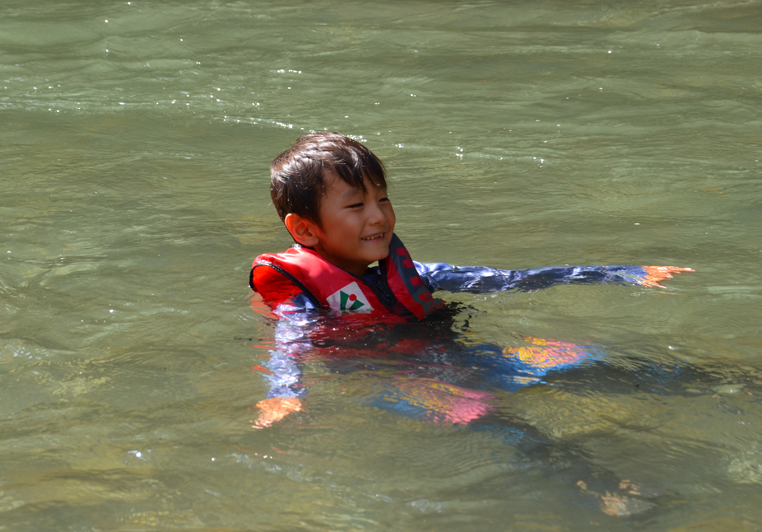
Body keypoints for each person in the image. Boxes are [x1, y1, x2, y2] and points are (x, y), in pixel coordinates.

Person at [249, 132, 694, 428]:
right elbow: (290, 339)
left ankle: (728, 385)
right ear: (305, 229)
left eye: (382, 199)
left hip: (467, 355)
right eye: (355, 206)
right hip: (394, 376)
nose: (378, 215)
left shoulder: (416, 273)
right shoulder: (301, 295)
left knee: (597, 360)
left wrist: (620, 273)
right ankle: (590, 488)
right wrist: (284, 392)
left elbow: (508, 280)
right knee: (491, 421)